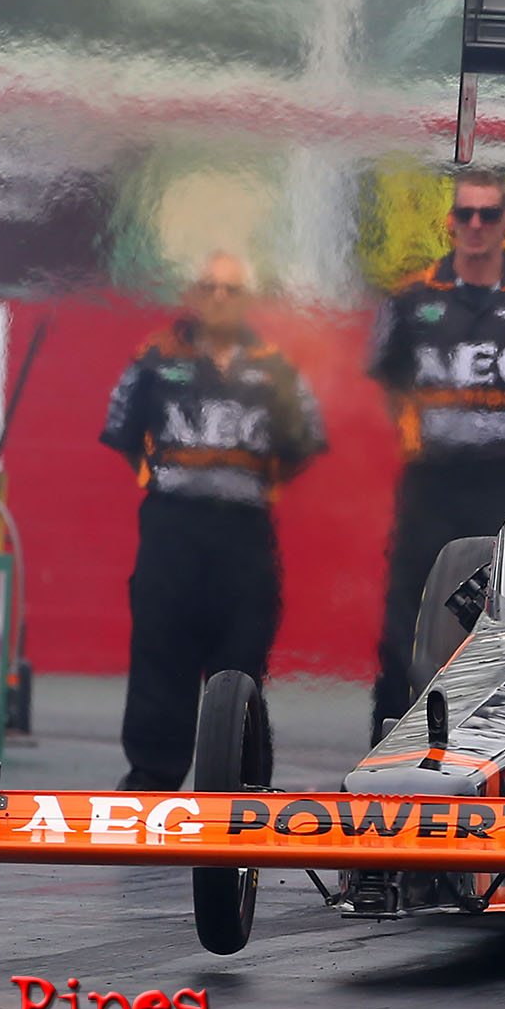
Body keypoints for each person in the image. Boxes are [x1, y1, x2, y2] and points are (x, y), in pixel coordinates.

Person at [100, 252, 326, 792]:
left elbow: (304, 443)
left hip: (245, 535)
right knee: (160, 653)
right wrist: (167, 478)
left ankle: (242, 786)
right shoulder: (154, 358)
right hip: (171, 530)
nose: (219, 298)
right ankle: (151, 781)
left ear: (247, 299)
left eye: (231, 289)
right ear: (193, 294)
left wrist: (251, 486)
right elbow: (123, 434)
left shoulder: (274, 366)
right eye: (209, 287)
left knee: (243, 659)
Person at [368, 168, 505, 744]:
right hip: (429, 484)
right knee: (407, 614)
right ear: (450, 223)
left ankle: (500, 747)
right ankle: (387, 744)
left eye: (488, 214)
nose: (476, 225)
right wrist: (421, 431)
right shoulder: (411, 300)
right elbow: (387, 379)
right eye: (465, 214)